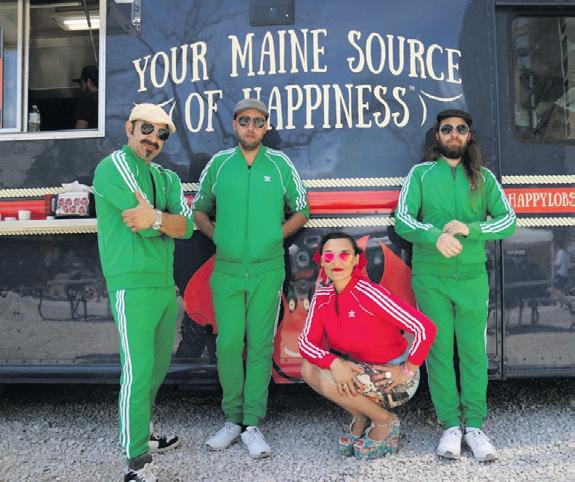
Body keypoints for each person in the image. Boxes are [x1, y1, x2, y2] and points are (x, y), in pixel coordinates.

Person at [394, 109, 516, 462]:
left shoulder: (483, 177)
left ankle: (474, 426)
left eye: (461, 129)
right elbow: (402, 219)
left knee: (474, 351)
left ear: (468, 135)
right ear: (437, 135)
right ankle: (449, 425)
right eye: (447, 128)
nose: (454, 134)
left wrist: (470, 229)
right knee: (439, 350)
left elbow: (508, 221)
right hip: (430, 278)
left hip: (472, 277)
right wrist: (434, 236)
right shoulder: (420, 174)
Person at [193, 98, 309, 458]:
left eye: (258, 121)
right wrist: (219, 237)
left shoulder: (279, 164)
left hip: (267, 269)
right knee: (228, 344)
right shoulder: (219, 164)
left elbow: (302, 209)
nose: (251, 127)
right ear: (234, 124)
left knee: (260, 345)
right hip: (227, 270)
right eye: (244, 120)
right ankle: (232, 419)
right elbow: (199, 210)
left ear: (266, 126)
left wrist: (275, 236)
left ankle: (252, 423)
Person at [93, 103, 194, 482]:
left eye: (162, 134)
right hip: (130, 282)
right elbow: (140, 222)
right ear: (129, 128)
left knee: (157, 368)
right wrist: (161, 221)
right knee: (136, 373)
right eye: (146, 129)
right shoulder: (114, 166)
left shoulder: (166, 178)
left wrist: (155, 218)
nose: (153, 139)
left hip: (163, 282)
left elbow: (186, 227)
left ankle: (146, 432)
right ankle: (135, 461)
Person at [298, 232, 436, 459]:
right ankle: (361, 416)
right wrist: (335, 363)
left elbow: (425, 328)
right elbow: (305, 343)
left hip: (393, 377)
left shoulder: (368, 293)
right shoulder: (322, 295)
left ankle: (385, 421)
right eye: (329, 256)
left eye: (344, 255)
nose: (336, 261)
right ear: (321, 261)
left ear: (356, 260)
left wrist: (407, 370)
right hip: (361, 369)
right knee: (308, 368)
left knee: (326, 377)